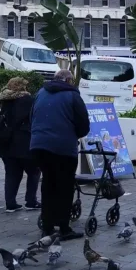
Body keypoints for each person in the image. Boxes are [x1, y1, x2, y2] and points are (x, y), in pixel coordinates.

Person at [31, 69, 90, 240]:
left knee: (48, 184)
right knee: (64, 187)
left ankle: (47, 227)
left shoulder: (41, 93)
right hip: (63, 147)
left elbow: (31, 117)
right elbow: (83, 125)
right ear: (69, 81)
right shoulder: (73, 95)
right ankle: (64, 227)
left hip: (39, 146)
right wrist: (74, 135)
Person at [0, 77, 41, 212]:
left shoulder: (5, 100)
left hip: (5, 142)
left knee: (12, 173)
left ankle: (10, 203)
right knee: (33, 171)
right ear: (22, 87)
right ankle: (31, 201)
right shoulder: (27, 100)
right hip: (23, 141)